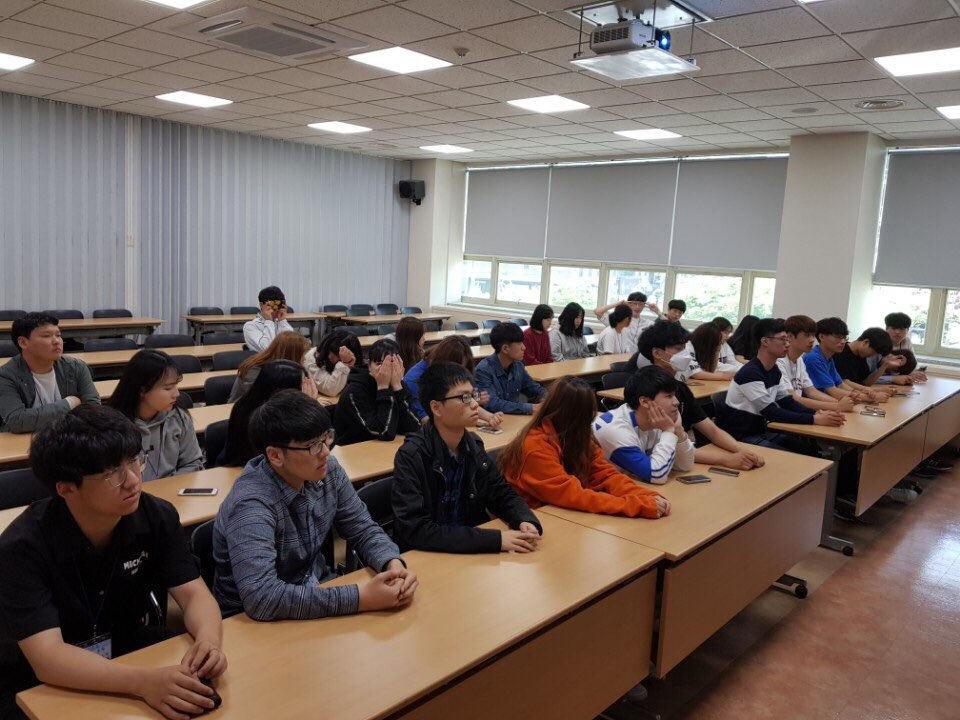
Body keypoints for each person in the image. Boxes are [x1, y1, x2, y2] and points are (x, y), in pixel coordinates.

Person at [0, 406, 226, 719]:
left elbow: (193, 594)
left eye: (134, 460)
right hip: (37, 675)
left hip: (125, 646)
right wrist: (143, 683)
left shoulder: (157, 516)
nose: (133, 480)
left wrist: (208, 642)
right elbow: (48, 657)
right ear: (67, 488)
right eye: (111, 474)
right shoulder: (21, 548)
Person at [214, 390, 417, 621]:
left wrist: (392, 564)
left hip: (315, 588)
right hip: (252, 622)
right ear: (275, 456)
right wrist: (360, 597)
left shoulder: (327, 470)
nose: (326, 452)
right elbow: (261, 598)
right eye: (313, 445)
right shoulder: (251, 504)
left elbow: (362, 528)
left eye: (326, 438)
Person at [392, 362, 542, 554]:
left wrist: (524, 520)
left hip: (469, 549)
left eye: (473, 395)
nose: (474, 404)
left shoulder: (473, 445)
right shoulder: (412, 456)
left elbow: (501, 493)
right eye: (464, 398)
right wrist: (494, 540)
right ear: (436, 408)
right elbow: (417, 530)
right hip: (427, 556)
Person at [501, 376, 670, 518]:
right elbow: (573, 495)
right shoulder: (534, 446)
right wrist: (635, 505)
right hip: (535, 518)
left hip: (563, 513)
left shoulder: (577, 435)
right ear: (578, 417)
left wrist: (645, 495)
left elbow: (605, 475)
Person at [636, 320, 765, 471]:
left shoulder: (680, 387)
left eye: (685, 348)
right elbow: (664, 448)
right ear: (657, 353)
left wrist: (743, 451)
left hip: (682, 458)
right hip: (663, 464)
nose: (685, 354)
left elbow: (712, 430)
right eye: (678, 349)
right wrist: (725, 459)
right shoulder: (648, 392)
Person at [719, 318, 845, 453]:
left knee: (809, 450)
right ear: (765, 341)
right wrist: (814, 419)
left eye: (787, 340)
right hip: (741, 438)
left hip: (760, 433)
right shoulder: (750, 373)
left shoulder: (774, 370)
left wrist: (817, 413)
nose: (787, 344)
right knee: (798, 457)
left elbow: (788, 402)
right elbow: (771, 412)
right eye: (783, 340)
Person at [108, 349, 204, 481]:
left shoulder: (178, 418)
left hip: (172, 490)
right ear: (142, 390)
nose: (176, 394)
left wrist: (168, 486)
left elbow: (193, 463)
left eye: (176, 386)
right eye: (168, 388)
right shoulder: (111, 426)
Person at [593, 366, 696, 484]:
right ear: (645, 402)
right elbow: (656, 475)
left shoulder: (655, 419)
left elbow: (684, 466)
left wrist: (678, 430)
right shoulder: (615, 430)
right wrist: (668, 431)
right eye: (669, 396)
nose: (676, 402)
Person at [0, 312, 100, 433]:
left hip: (68, 436)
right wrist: (69, 403)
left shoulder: (76, 367)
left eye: (58, 335)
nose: (57, 341)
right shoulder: (6, 376)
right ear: (23, 342)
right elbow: (17, 421)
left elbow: (93, 411)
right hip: (24, 440)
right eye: (46, 336)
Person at [221, 360, 313, 467]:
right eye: (303, 386)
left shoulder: (278, 411)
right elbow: (283, 459)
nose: (306, 390)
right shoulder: (256, 417)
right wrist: (308, 407)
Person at [403, 335, 504, 429]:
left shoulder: (444, 368)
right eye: (458, 368)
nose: (459, 373)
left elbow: (464, 403)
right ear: (446, 362)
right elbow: (425, 420)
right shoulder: (415, 380)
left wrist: (490, 417)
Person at [334, 339, 421, 446]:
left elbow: (414, 427)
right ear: (369, 365)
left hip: (385, 449)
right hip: (355, 448)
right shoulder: (354, 392)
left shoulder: (398, 384)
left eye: (391, 364)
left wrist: (397, 387)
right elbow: (383, 432)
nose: (384, 369)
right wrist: (383, 387)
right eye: (379, 363)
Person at [778, 316, 856, 413]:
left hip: (796, 412)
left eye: (813, 335)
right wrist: (837, 405)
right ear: (789, 337)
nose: (812, 340)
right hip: (783, 416)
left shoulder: (799, 360)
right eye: (807, 335)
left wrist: (840, 403)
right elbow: (793, 399)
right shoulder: (779, 362)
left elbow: (812, 391)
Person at [802, 318, 890, 404]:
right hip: (813, 406)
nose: (843, 341)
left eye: (844, 338)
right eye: (838, 337)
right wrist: (871, 398)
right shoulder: (813, 358)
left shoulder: (828, 358)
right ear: (821, 337)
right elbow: (832, 391)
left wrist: (861, 393)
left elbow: (841, 385)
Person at [475, 321, 546, 415]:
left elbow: (534, 389)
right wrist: (531, 408)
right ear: (505, 348)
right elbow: (493, 404)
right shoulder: (483, 370)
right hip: (492, 419)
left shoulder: (518, 366)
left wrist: (546, 398)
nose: (524, 347)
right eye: (519, 343)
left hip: (513, 419)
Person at [229, 331, 312, 403]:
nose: (304, 359)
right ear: (291, 356)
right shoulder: (255, 371)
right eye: (302, 355)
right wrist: (305, 398)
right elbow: (267, 403)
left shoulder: (283, 370)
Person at [832, 327, 905, 390]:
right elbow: (843, 382)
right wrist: (874, 390)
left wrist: (885, 365)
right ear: (866, 342)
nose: (872, 356)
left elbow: (866, 383)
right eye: (874, 352)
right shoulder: (840, 352)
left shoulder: (861, 356)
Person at [303, 330, 363, 397]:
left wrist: (349, 365)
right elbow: (330, 390)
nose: (330, 356)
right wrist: (344, 365)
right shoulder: (311, 358)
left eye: (337, 354)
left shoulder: (350, 359)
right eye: (330, 350)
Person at [593, 292, 658, 349]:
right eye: (634, 303)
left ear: (644, 306)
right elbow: (598, 312)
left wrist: (657, 311)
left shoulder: (647, 323)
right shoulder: (619, 320)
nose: (637, 307)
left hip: (637, 357)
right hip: (619, 356)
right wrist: (617, 304)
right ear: (628, 304)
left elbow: (664, 328)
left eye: (641, 304)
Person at [243, 286, 295, 352]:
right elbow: (268, 349)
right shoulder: (250, 326)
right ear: (261, 305)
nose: (276, 309)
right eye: (272, 304)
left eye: (279, 304)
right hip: (264, 358)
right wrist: (269, 321)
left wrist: (283, 321)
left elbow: (293, 345)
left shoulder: (280, 323)